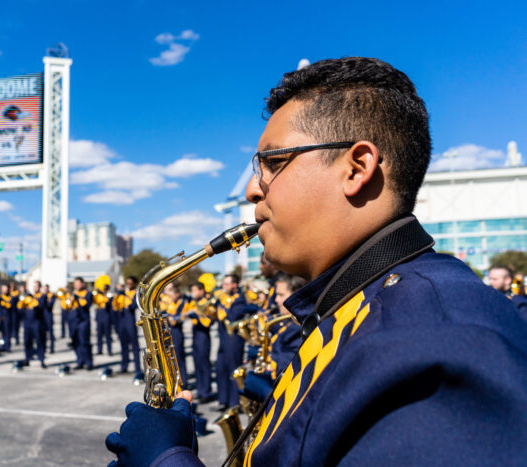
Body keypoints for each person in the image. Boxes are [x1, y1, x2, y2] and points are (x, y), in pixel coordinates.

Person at [106, 57, 527, 466]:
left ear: (357, 167)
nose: (254, 188)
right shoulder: (364, 307)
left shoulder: (435, 343)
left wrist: (166, 462)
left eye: (271, 162)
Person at [214, 274, 247, 410]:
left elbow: (233, 316)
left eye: (227, 284)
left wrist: (223, 309)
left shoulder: (240, 299)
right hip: (223, 337)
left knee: (234, 369)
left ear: (235, 285)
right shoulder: (223, 298)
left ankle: (235, 402)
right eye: (224, 284)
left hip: (234, 339)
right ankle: (224, 400)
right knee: (220, 368)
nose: (224, 287)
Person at [185, 282, 214, 402]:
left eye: (195, 290)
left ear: (202, 291)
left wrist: (196, 316)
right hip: (195, 333)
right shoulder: (194, 302)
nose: (193, 293)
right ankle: (200, 390)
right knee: (197, 363)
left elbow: (208, 322)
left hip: (203, 335)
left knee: (204, 364)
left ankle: (206, 392)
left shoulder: (206, 302)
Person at [114, 276, 142, 378]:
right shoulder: (122, 293)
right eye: (127, 283)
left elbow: (134, 306)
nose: (128, 285)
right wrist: (117, 296)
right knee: (123, 345)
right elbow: (115, 307)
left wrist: (125, 295)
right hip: (121, 320)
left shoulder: (136, 293)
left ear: (134, 284)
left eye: (130, 283)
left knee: (134, 346)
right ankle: (124, 366)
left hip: (130, 320)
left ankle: (137, 368)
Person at [163, 282, 189, 385]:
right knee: (169, 358)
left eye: (172, 294)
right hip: (167, 331)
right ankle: (172, 381)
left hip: (177, 332)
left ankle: (183, 382)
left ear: (177, 294)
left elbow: (175, 320)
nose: (170, 296)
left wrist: (168, 315)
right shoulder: (167, 303)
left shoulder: (182, 303)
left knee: (179, 359)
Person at [17, 281, 47, 368]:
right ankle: (28, 358)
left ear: (40, 287)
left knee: (39, 341)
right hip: (27, 322)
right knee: (27, 341)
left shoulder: (42, 296)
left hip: (37, 322)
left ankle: (41, 359)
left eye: (37, 286)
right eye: (34, 286)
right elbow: (21, 308)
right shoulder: (28, 296)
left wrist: (32, 300)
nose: (35, 288)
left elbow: (40, 306)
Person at [67, 277, 93, 370]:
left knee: (84, 342)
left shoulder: (87, 293)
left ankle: (88, 362)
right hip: (73, 321)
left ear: (82, 284)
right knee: (75, 342)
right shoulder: (72, 294)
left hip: (83, 321)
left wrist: (78, 298)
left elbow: (87, 305)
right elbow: (67, 306)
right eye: (75, 284)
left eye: (78, 283)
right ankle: (80, 361)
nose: (76, 285)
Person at [93, 282, 113, 356]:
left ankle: (109, 350)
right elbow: (95, 301)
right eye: (103, 288)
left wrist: (104, 295)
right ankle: (99, 349)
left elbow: (108, 304)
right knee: (99, 335)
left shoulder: (109, 295)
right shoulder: (98, 296)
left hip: (107, 316)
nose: (104, 290)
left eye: (105, 288)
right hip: (99, 316)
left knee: (108, 335)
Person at [0, 284, 14, 351]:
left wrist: (4, 302)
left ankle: (7, 346)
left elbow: (10, 306)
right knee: (1, 334)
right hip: (1, 317)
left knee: (7, 333)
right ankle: (2, 345)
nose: (5, 290)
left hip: (7, 317)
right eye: (3, 289)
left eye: (6, 289)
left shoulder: (10, 297)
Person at [42, 284, 56, 353]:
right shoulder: (42, 295)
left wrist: (45, 299)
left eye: (46, 288)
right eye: (44, 288)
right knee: (43, 334)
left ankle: (52, 348)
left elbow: (49, 305)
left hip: (49, 315)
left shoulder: (51, 295)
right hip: (42, 316)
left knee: (51, 333)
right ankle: (44, 348)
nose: (45, 290)